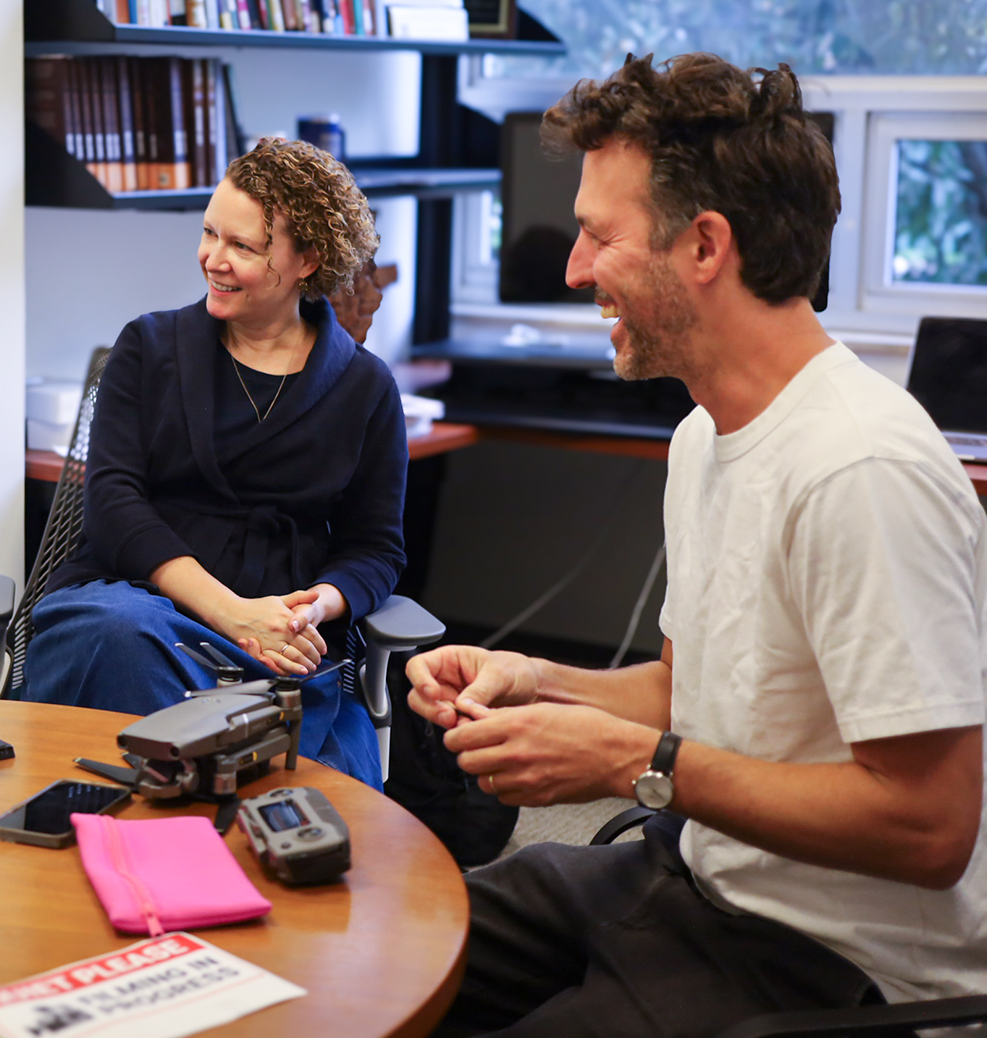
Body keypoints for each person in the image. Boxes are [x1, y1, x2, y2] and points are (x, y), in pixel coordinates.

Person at [407, 54, 985, 1035]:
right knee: (387, 942)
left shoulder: (857, 468)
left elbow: (927, 828)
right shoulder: (703, 433)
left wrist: (636, 763)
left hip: (826, 960)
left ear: (704, 246)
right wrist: (534, 680)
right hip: (688, 874)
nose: (572, 268)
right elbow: (693, 695)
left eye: (597, 235)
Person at [23, 137, 407, 789]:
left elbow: (377, 548)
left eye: (243, 246)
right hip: (137, 603)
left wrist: (315, 608)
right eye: (208, 233)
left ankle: (207, 835)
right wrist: (230, 610)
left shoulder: (365, 389)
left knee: (327, 782)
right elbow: (113, 507)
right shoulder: (148, 348)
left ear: (307, 259)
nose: (213, 259)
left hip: (278, 637)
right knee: (119, 640)